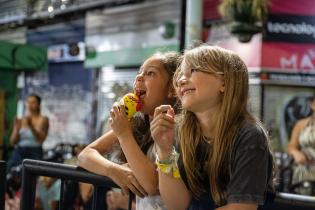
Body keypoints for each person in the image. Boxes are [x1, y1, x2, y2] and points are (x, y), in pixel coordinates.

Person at [151, 45, 274, 210]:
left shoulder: (249, 135)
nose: (180, 80)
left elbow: (242, 207)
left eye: (193, 70)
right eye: (180, 75)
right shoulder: (178, 131)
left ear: (224, 82)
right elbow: (178, 205)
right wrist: (164, 151)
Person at [78, 51, 180, 209]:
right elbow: (85, 155)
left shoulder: (176, 127)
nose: (139, 77)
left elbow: (152, 185)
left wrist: (124, 135)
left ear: (172, 90)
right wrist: (113, 170)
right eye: (139, 73)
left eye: (150, 73)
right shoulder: (135, 124)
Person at [8, 94, 49, 170]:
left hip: (35, 152)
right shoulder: (21, 119)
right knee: (13, 172)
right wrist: (17, 128)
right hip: (20, 151)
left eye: (33, 102)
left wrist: (31, 126)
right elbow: (12, 142)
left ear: (38, 104)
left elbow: (41, 140)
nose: (30, 104)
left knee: (33, 176)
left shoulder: (43, 119)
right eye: (28, 102)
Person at [288, 93, 315, 194]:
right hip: (303, 171)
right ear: (312, 104)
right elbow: (291, 146)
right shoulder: (301, 124)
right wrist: (296, 153)